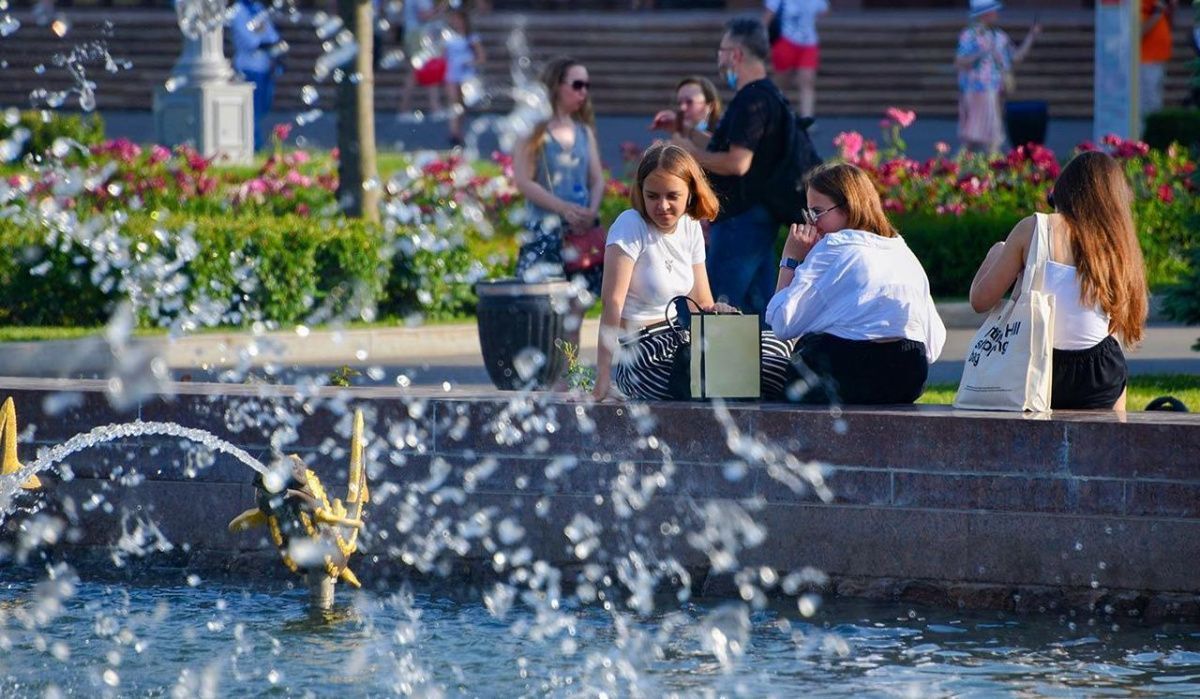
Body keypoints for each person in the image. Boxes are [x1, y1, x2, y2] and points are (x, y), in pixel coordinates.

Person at [593, 143, 795, 402]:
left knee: (775, 350)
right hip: (641, 353)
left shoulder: (689, 226)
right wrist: (602, 378)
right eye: (652, 195)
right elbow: (612, 303)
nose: (662, 206)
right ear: (641, 192)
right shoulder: (630, 224)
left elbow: (702, 302)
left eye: (672, 196)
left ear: (690, 193)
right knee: (718, 373)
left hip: (678, 341)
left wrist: (719, 313)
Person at [968, 151, 1148, 411]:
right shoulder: (1117, 243)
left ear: (1063, 191)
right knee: (1112, 350)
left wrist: (995, 253)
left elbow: (980, 301)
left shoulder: (1034, 228)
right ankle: (1115, 438)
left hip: (1039, 367)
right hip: (1099, 377)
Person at [766, 162, 946, 405]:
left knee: (773, 363)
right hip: (909, 377)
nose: (812, 224)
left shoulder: (833, 246)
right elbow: (934, 343)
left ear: (849, 208)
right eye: (809, 214)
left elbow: (782, 324)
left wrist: (790, 259)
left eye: (817, 212)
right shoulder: (902, 251)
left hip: (846, 374)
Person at [670, 18, 791, 316]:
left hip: (741, 220)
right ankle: (764, 361)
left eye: (722, 50)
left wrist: (690, 152)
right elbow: (729, 145)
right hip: (757, 217)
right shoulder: (767, 95)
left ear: (736, 54)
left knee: (707, 308)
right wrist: (686, 130)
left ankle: (696, 362)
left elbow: (737, 162)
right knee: (758, 309)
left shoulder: (751, 101)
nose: (719, 58)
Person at [954, 0, 1039, 153]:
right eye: (992, 11)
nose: (996, 14)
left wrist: (1031, 36)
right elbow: (960, 61)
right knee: (972, 138)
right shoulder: (969, 36)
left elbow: (1015, 57)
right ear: (984, 14)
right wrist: (980, 52)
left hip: (993, 91)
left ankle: (987, 168)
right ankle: (958, 169)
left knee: (992, 137)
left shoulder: (999, 37)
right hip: (975, 91)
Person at [230, 0, 284, 151]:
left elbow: (272, 35)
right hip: (247, 68)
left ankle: (255, 142)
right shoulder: (238, 10)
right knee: (250, 110)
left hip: (264, 67)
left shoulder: (258, 8)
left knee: (262, 108)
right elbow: (250, 41)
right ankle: (253, 145)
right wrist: (267, 43)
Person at [763, 0, 829, 119]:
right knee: (782, 82)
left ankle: (807, 118)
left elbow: (824, 10)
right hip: (785, 40)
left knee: (807, 81)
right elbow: (769, 14)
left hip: (809, 43)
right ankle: (774, 115)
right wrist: (762, 38)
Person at [444, 6, 485, 148]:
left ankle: (460, 132)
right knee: (454, 103)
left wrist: (468, 61)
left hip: (466, 73)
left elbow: (481, 57)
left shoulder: (471, 37)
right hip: (452, 73)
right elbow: (443, 55)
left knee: (463, 105)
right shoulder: (448, 37)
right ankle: (453, 133)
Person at [398, 0, 444, 117]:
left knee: (417, 73)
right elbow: (423, 16)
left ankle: (433, 106)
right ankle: (434, 107)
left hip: (415, 34)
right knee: (421, 72)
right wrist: (441, 8)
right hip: (418, 36)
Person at [649, 76, 723, 137]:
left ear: (710, 107)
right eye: (679, 103)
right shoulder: (680, 135)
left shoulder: (726, 130)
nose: (682, 108)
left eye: (689, 102)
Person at [1141, 0, 1178, 120]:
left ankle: (1152, 133)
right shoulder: (1138, 4)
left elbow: (1168, 22)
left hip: (1158, 57)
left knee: (1155, 100)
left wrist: (1170, 8)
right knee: (1148, 102)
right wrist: (1157, 13)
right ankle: (1145, 136)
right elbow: (1138, 31)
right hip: (1146, 59)